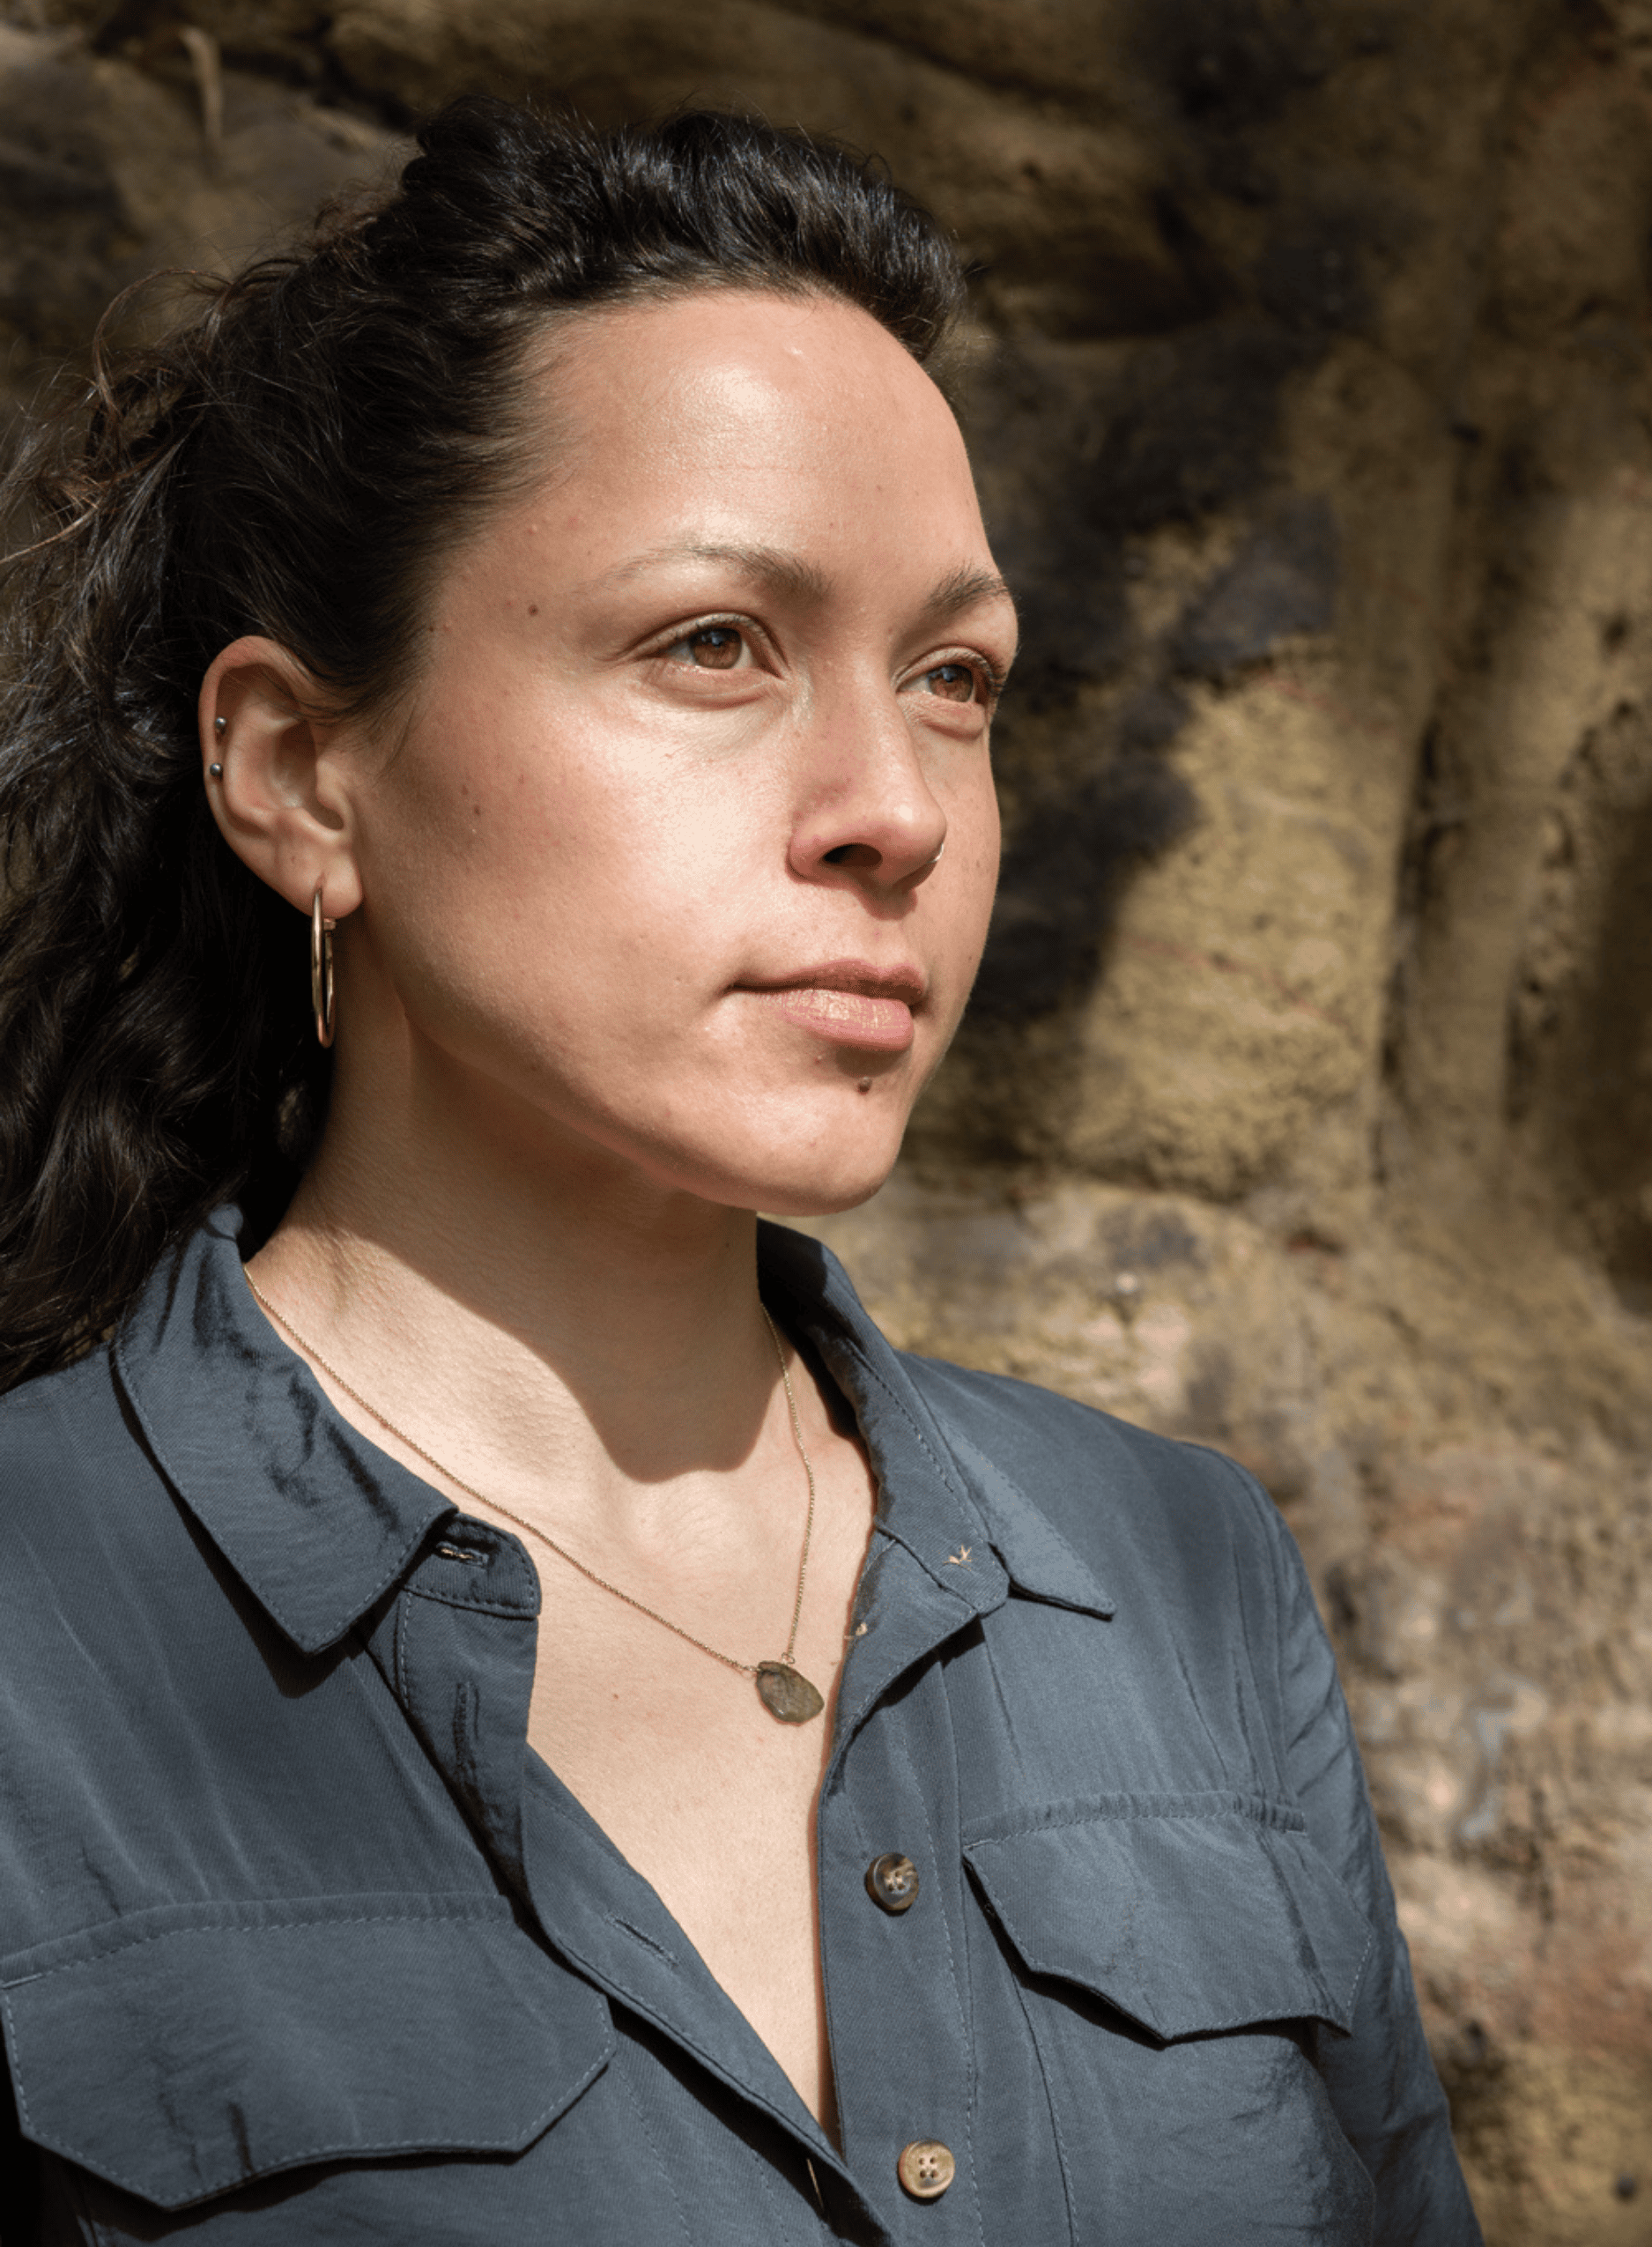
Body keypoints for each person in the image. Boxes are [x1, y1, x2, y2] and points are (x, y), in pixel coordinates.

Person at [0, 95, 1478, 2246]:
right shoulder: (41, 1634)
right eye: (716, 643)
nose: (893, 807)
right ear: (304, 771)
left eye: (954, 678)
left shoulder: (1177, 1578)